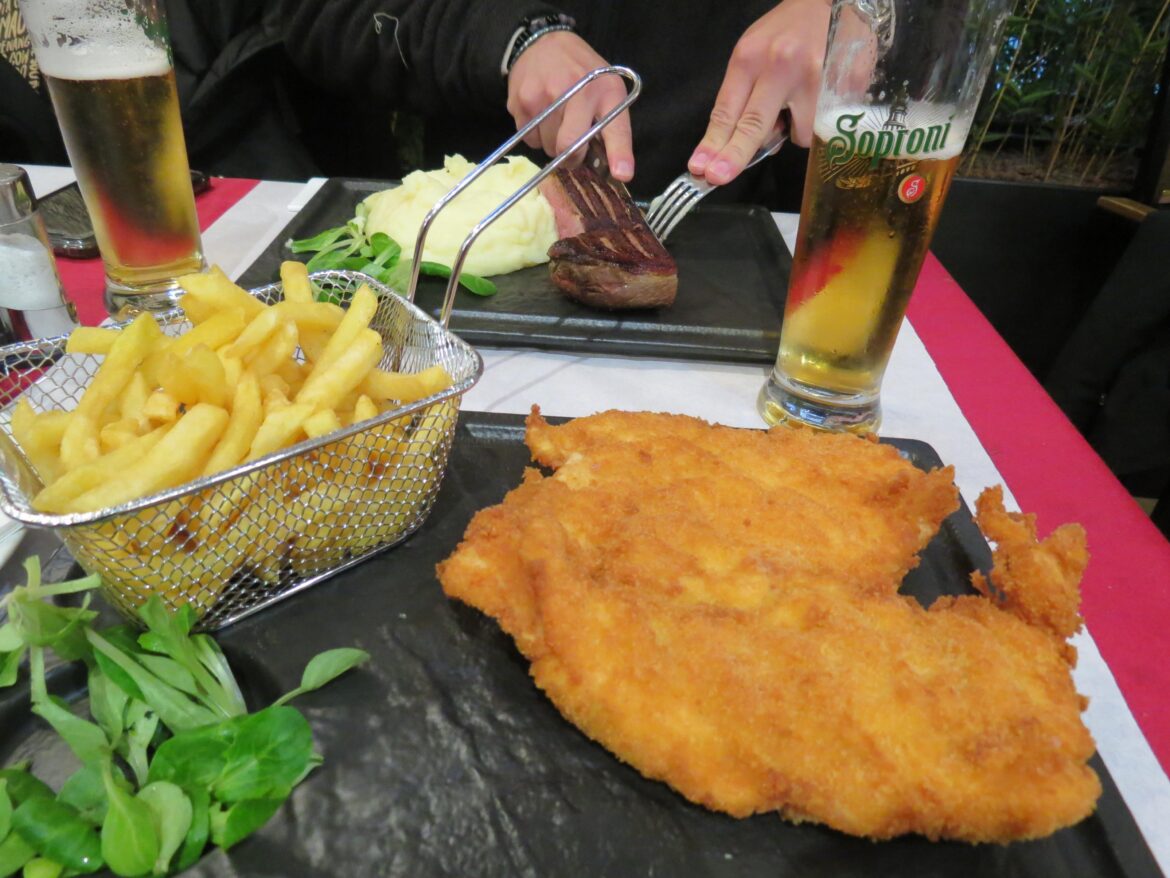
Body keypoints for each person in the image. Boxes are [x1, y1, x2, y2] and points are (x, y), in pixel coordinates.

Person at [276, 0, 831, 208]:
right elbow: (318, 17)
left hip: (756, 247)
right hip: (473, 247)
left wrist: (863, 12)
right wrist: (509, 40)